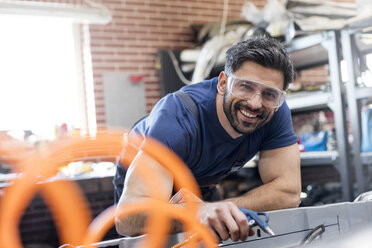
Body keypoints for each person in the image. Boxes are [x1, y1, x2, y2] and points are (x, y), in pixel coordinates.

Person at [114, 36, 301, 242]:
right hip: (148, 189)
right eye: (245, 86)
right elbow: (127, 218)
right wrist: (198, 213)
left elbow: (288, 193)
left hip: (202, 187)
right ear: (223, 83)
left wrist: (218, 210)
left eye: (269, 94)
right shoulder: (178, 116)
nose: (256, 103)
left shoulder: (273, 110)